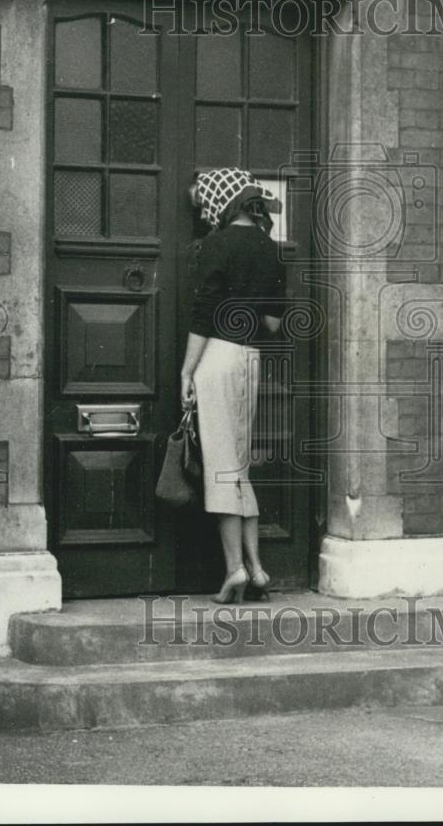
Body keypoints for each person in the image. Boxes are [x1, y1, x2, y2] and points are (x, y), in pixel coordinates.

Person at [180, 168, 287, 604]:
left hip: (218, 357)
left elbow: (204, 314)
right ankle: (258, 569)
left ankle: (234, 570)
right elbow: (274, 323)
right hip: (251, 358)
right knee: (239, 466)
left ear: (220, 202)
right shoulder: (270, 249)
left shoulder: (215, 245)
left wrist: (187, 371)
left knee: (223, 467)